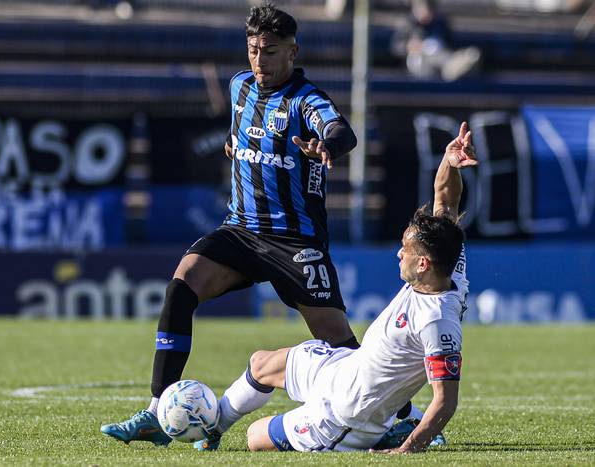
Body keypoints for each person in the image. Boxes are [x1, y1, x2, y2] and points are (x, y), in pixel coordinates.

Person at [101, 3, 362, 447]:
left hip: (293, 240)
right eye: (254, 49)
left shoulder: (305, 100)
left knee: (338, 344)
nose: (260, 60)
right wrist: (232, 143)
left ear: (293, 52)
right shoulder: (240, 87)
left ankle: (400, 414)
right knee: (182, 285)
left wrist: (325, 146)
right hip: (240, 231)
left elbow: (342, 131)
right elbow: (242, 132)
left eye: (271, 51)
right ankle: (156, 410)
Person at [206, 122, 476, 452]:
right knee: (261, 363)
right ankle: (207, 429)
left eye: (406, 250)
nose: (398, 253)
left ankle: (390, 433)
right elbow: (446, 202)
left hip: (346, 415)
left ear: (423, 264)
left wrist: (408, 450)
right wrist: (449, 161)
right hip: (341, 367)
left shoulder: (437, 321)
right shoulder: (448, 261)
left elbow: (445, 401)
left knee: (254, 437)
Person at [391, 0, 481, 82]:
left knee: (444, 55)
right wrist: (409, 46)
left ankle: (458, 64)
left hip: (440, 58)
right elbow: (396, 46)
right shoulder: (408, 24)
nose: (424, 13)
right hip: (419, 62)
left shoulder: (440, 24)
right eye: (420, 9)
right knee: (428, 59)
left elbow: (450, 43)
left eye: (428, 10)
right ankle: (453, 68)